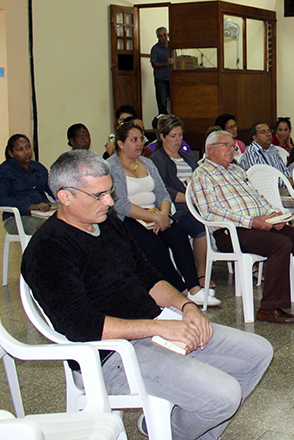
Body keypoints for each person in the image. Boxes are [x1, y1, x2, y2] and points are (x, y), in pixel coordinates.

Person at [21, 150, 272, 440]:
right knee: (224, 396)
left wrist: (186, 306)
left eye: (110, 192)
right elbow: (80, 325)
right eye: (98, 195)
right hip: (110, 354)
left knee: (258, 352)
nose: (110, 202)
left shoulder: (109, 224)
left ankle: (175, 429)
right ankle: (172, 430)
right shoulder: (48, 248)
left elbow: (148, 276)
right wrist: (160, 327)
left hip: (155, 328)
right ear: (65, 196)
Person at [190, 130, 294, 324]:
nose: (232, 149)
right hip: (230, 231)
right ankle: (269, 308)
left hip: (259, 223)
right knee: (280, 244)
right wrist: (252, 222)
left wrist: (273, 214)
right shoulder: (202, 174)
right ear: (210, 148)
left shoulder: (236, 170)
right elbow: (211, 211)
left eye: (233, 146)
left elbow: (258, 197)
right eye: (226, 145)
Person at [108, 122, 217, 306]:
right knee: (153, 243)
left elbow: (162, 194)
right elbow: (120, 204)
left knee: (178, 234)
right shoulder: (111, 167)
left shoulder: (147, 163)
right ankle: (180, 290)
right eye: (133, 140)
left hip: (156, 214)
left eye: (140, 140)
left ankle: (194, 288)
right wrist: (154, 217)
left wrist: (164, 214)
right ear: (120, 143)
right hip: (130, 218)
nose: (139, 144)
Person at [149, 114, 215, 288]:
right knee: (200, 228)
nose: (177, 140)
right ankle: (200, 273)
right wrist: (188, 198)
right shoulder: (157, 161)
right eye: (173, 136)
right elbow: (161, 189)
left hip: (196, 204)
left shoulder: (187, 158)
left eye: (180, 135)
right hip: (177, 209)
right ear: (162, 137)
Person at [0, 134, 53, 235]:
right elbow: (2, 199)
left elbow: (51, 188)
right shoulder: (5, 170)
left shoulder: (38, 167)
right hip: (16, 218)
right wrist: (31, 206)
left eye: (28, 147)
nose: (26, 152)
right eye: (20, 150)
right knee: (49, 228)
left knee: (67, 225)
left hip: (41, 214)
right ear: (11, 153)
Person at [150, 27, 173, 115]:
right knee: (162, 102)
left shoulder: (172, 46)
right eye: (161, 36)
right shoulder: (155, 49)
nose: (163, 37)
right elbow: (154, 64)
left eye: (164, 35)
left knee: (175, 101)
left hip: (172, 78)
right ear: (158, 37)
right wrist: (165, 63)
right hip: (161, 79)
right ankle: (163, 122)